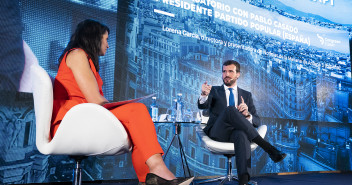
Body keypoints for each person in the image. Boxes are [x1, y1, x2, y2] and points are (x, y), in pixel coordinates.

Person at [51, 19, 193, 185]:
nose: (108, 45)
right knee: (137, 110)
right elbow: (95, 100)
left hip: (83, 117)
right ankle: (158, 170)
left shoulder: (82, 57)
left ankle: (149, 180)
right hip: (72, 121)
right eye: (106, 40)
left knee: (137, 128)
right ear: (94, 38)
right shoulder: (77, 54)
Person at [198, 60, 286, 185]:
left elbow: (256, 121)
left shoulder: (247, 95)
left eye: (230, 71)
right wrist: (203, 94)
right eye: (224, 71)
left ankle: (244, 181)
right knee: (230, 110)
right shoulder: (214, 90)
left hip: (236, 133)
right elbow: (202, 106)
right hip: (218, 132)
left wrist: (247, 115)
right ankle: (268, 147)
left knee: (241, 134)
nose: (226, 74)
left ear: (238, 74)